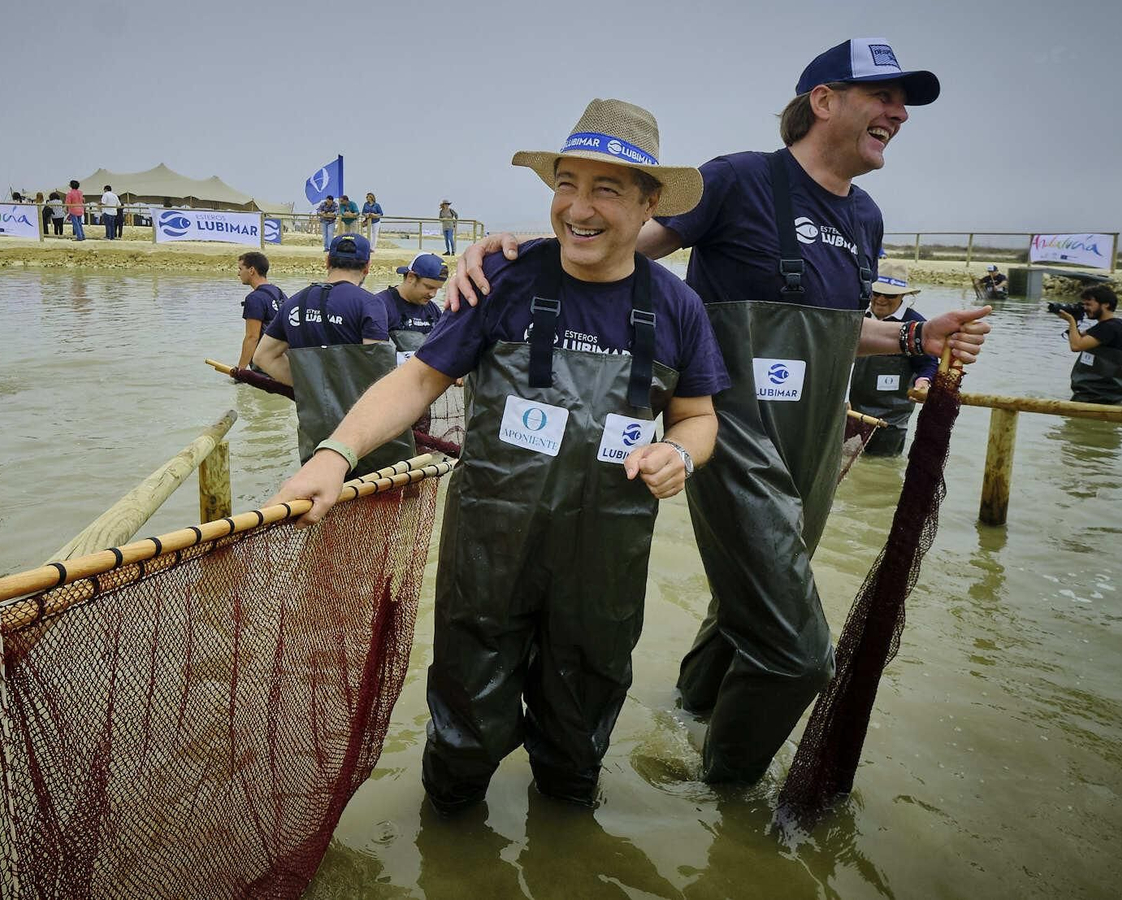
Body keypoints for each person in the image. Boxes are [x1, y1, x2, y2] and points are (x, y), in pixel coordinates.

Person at [447, 42, 993, 786]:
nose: (898, 113)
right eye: (883, 96)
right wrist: (511, 252)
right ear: (825, 100)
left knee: (754, 610)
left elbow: (830, 331)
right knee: (800, 652)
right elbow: (611, 248)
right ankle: (727, 796)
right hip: (729, 438)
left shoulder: (865, 217)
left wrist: (910, 336)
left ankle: (687, 718)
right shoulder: (741, 180)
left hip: (813, 444)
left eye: (904, 103)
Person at [269, 99, 732, 812]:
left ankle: (565, 826)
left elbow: (699, 417)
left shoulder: (678, 308)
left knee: (579, 739)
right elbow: (418, 378)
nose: (578, 207)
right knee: (462, 730)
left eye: (606, 189)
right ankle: (452, 842)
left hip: (605, 563)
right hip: (490, 550)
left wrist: (680, 452)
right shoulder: (503, 280)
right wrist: (333, 453)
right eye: (566, 183)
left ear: (648, 206)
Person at [252, 232, 414, 476]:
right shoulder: (369, 304)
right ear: (368, 267)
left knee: (320, 493)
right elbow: (378, 369)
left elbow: (262, 357)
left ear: (327, 261)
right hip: (364, 431)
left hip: (317, 428)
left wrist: (310, 384)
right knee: (378, 497)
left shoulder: (295, 302)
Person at [848, 259, 937, 455]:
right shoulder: (856, 315)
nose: (880, 299)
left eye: (889, 295)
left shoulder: (916, 324)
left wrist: (924, 382)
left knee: (883, 466)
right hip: (852, 411)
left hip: (892, 418)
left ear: (903, 296)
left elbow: (929, 364)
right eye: (876, 293)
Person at [1056, 284, 1122, 404]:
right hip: (1100, 392)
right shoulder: (1108, 325)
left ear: (1106, 304)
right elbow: (1080, 337)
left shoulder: (1110, 327)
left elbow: (1076, 346)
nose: (1085, 308)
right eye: (1084, 304)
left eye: (1089, 304)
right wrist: (1074, 318)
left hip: (1100, 395)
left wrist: (1071, 321)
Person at [371, 252, 448, 353]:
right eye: (429, 287)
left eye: (437, 289)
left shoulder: (434, 311)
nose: (433, 294)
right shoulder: (379, 306)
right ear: (411, 277)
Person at [235, 251, 286, 371]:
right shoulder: (279, 292)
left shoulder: (254, 298)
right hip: (282, 359)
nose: (238, 273)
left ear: (251, 270)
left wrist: (240, 371)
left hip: (264, 362)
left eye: (240, 269)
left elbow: (252, 337)